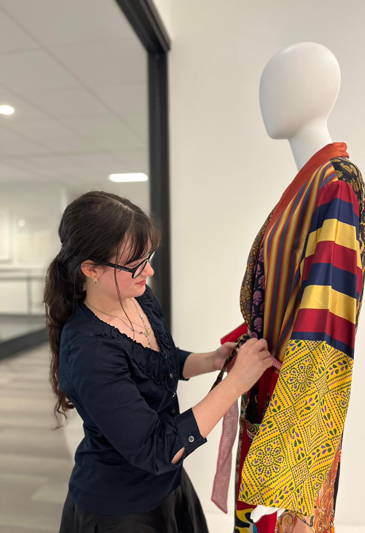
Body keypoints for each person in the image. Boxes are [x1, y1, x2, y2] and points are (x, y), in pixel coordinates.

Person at [44, 191, 273, 533]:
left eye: (149, 256)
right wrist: (235, 384)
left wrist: (212, 360)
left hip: (169, 483)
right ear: (91, 269)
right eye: (136, 264)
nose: (148, 270)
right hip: (120, 508)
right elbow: (156, 447)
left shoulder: (137, 294)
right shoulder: (89, 350)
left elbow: (162, 362)